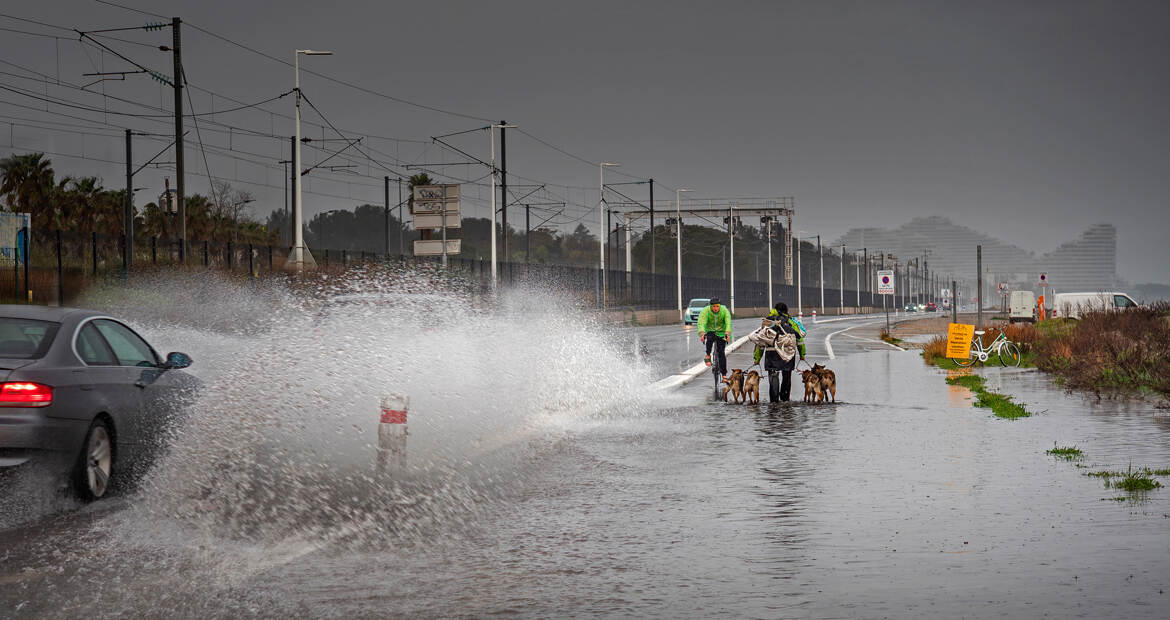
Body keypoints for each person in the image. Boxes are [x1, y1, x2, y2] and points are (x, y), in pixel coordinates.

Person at [752, 302, 806, 402]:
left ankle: (774, 401)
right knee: (786, 376)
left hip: (772, 354)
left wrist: (757, 358)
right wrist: (802, 354)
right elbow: (800, 340)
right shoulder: (792, 322)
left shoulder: (768, 321)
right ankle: (785, 400)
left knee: (773, 376)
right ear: (786, 311)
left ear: (775, 310)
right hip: (788, 354)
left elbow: (760, 342)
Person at [697, 297, 732, 376]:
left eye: (717, 306)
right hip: (710, 330)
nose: (715, 308)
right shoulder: (706, 311)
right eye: (713, 306)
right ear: (710, 306)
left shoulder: (724, 310)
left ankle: (724, 375)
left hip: (722, 332)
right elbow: (701, 322)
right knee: (709, 339)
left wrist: (727, 333)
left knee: (721, 353)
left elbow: (728, 322)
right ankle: (708, 355)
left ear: (720, 306)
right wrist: (702, 333)